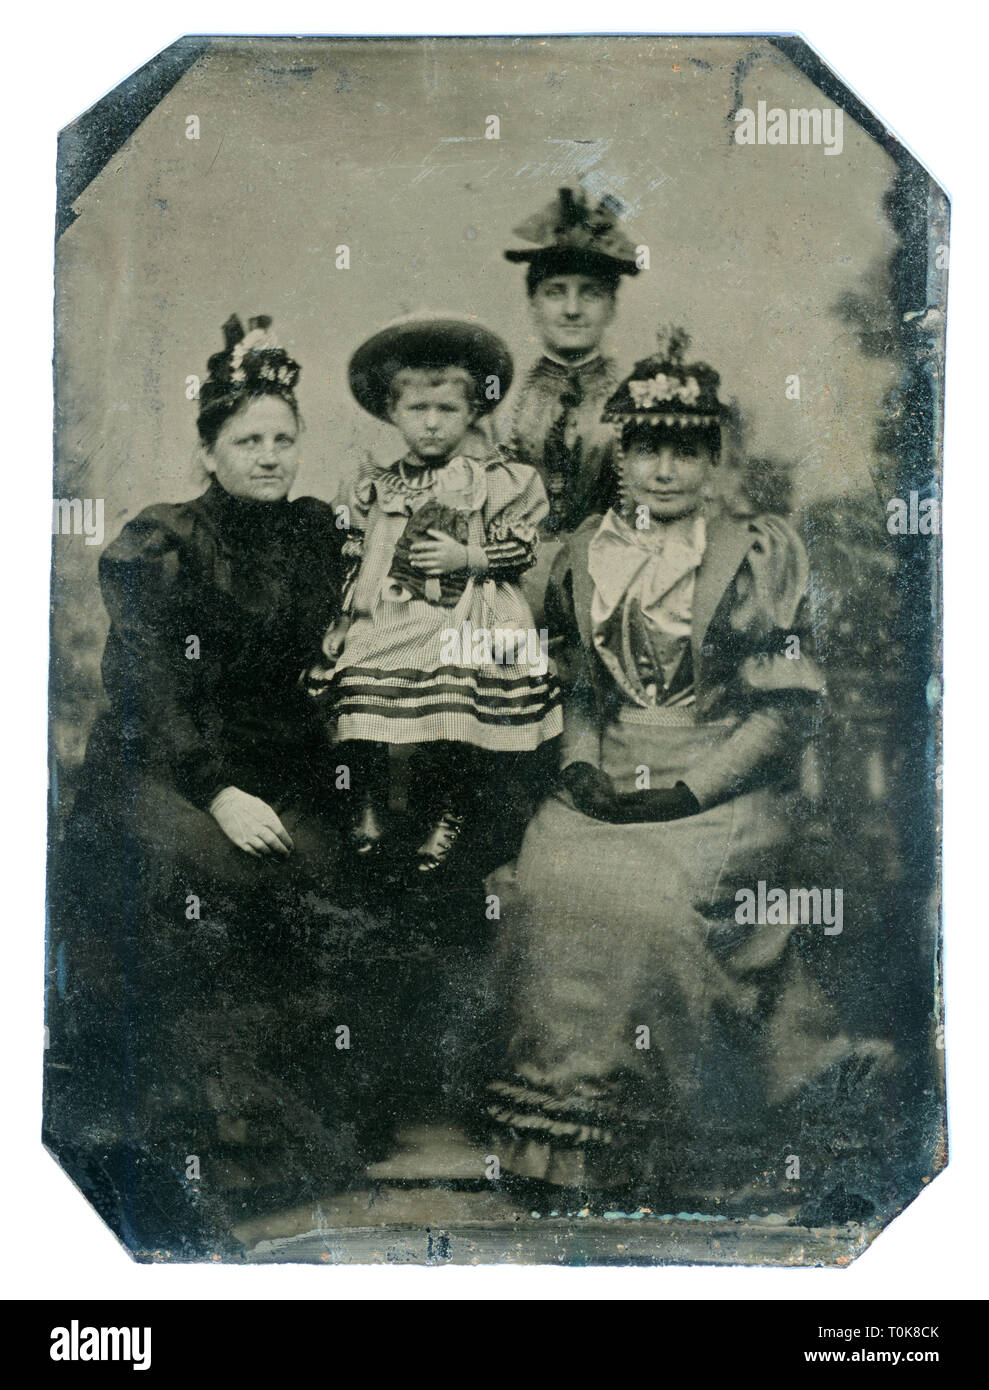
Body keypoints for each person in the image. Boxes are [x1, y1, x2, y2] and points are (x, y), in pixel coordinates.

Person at [484, 329, 894, 1203]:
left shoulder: (753, 550)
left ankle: (691, 1145)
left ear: (712, 460)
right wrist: (581, 766)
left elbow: (785, 709)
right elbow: (582, 692)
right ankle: (571, 1153)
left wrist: (688, 789)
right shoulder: (582, 550)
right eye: (645, 449)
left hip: (723, 780)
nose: (663, 470)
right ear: (621, 455)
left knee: (651, 904)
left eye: (684, 451)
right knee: (546, 882)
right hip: (612, 766)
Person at [46, 316, 353, 1246]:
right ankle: (193, 1147)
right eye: (247, 441)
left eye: (282, 439)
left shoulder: (314, 536)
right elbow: (150, 691)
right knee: (201, 875)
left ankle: (280, 1145)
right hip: (161, 771)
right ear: (209, 452)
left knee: (318, 866)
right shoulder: (161, 544)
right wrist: (219, 790)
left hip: (274, 770)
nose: (268, 456)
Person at [319, 314, 563, 874]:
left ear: (474, 411)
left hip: (471, 611)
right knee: (354, 672)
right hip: (390, 612)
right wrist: (341, 621)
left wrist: (468, 557)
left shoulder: (497, 479)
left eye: (447, 410)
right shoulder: (376, 484)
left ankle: (448, 810)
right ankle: (368, 800)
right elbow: (357, 553)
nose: (431, 424)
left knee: (454, 675)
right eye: (416, 411)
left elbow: (522, 550)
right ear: (392, 412)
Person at [499, 186, 640, 541]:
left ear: (612, 307)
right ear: (533, 304)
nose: (572, 310)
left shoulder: (638, 400)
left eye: (590, 293)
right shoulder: (500, 407)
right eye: (556, 291)